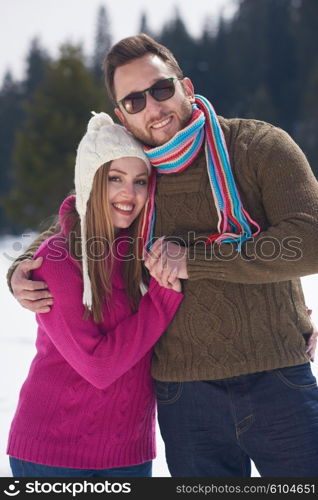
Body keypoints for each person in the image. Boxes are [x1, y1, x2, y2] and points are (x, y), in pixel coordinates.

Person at [7, 34, 318, 477]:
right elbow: (81, 222)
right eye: (134, 101)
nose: (153, 108)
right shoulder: (139, 173)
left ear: (186, 86)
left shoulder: (257, 147)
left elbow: (310, 239)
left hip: (276, 376)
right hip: (185, 396)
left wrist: (195, 261)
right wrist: (21, 269)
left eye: (161, 89)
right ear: (122, 116)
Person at [6, 112, 183, 478]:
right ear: (90, 181)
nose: (128, 194)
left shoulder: (147, 252)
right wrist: (162, 299)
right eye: (114, 178)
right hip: (53, 455)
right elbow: (98, 367)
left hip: (129, 454)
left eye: (139, 181)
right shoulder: (58, 259)